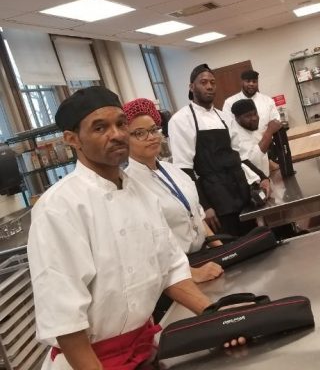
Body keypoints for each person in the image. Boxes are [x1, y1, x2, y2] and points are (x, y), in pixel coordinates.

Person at [27, 87, 244, 370]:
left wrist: (216, 319)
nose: (116, 134)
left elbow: (171, 269)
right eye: (100, 127)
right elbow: (65, 318)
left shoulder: (142, 193)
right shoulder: (59, 207)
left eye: (120, 124)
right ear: (72, 139)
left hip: (144, 352)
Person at [123, 98, 224, 284]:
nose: (151, 137)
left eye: (154, 130)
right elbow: (148, 248)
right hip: (177, 275)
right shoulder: (128, 186)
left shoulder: (175, 172)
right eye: (139, 133)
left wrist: (223, 252)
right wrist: (192, 273)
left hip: (205, 257)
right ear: (124, 138)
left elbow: (198, 219)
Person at [169, 64, 270, 236]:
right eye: (203, 82)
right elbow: (185, 170)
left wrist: (262, 177)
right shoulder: (180, 120)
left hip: (241, 191)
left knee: (255, 238)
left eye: (212, 82)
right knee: (233, 248)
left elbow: (240, 157)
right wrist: (204, 207)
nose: (209, 86)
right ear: (191, 87)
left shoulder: (224, 118)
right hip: (216, 199)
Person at [229, 98, 282, 177]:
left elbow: (261, 151)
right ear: (237, 118)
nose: (254, 118)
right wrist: (269, 131)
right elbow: (253, 162)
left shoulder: (249, 127)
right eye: (248, 116)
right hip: (254, 185)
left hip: (265, 178)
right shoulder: (235, 135)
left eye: (255, 113)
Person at [223, 69, 281, 140]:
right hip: (242, 147)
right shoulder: (229, 102)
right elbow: (229, 126)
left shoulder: (267, 100)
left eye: (254, 81)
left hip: (267, 144)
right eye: (248, 81)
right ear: (242, 82)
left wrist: (266, 136)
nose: (251, 84)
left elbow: (276, 121)